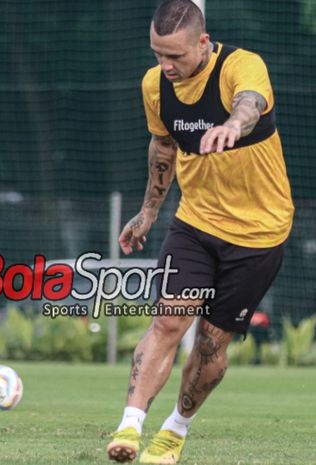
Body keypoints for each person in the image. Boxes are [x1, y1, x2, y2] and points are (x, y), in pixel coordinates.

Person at [106, 1, 293, 463]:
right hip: (196, 223)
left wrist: (231, 124)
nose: (166, 67)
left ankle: (174, 431)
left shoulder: (242, 66)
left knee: (211, 343)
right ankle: (129, 427)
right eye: (157, 55)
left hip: (259, 233)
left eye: (176, 56)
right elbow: (164, 145)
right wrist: (148, 212)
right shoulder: (155, 86)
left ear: (204, 43)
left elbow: (249, 104)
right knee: (168, 321)